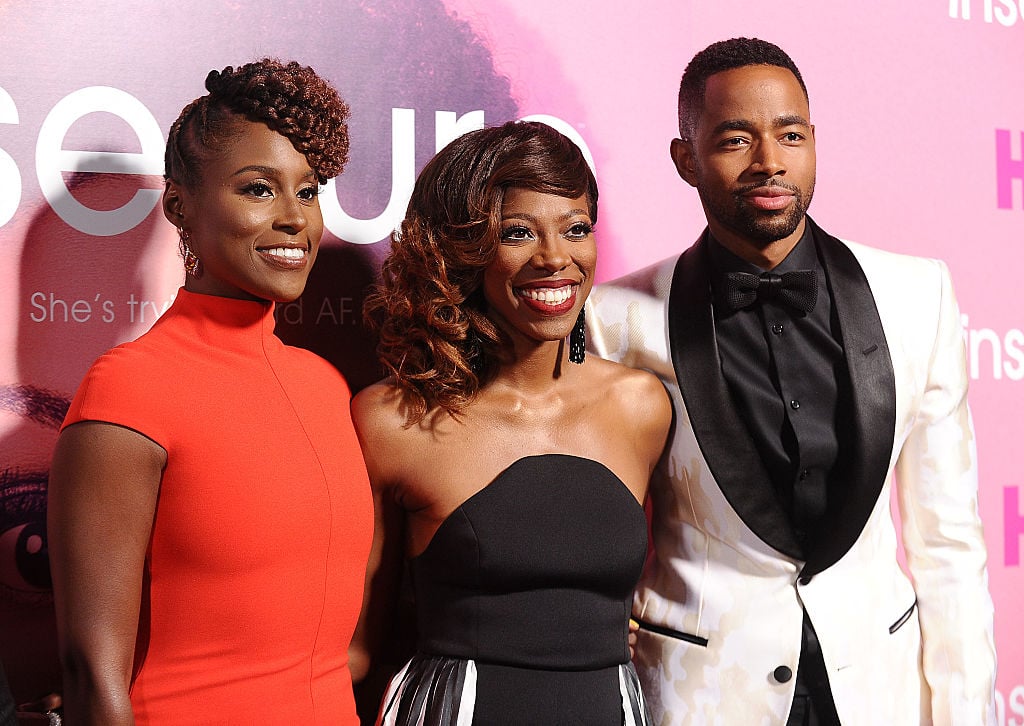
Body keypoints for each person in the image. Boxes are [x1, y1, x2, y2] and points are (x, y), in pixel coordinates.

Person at [587, 37, 997, 726]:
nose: (770, 162)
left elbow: (950, 543)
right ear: (687, 159)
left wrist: (963, 713)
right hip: (702, 693)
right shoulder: (613, 320)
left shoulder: (917, 295)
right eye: (736, 139)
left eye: (791, 134)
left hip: (876, 689)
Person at [47, 59, 372, 725]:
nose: (294, 220)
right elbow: (91, 676)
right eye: (259, 190)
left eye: (308, 193)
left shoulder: (324, 385)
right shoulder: (130, 389)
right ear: (178, 206)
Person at [350, 120, 672, 725]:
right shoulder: (393, 422)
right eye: (518, 233)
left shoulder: (641, 407)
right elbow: (356, 648)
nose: (555, 259)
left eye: (576, 230)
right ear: (460, 249)